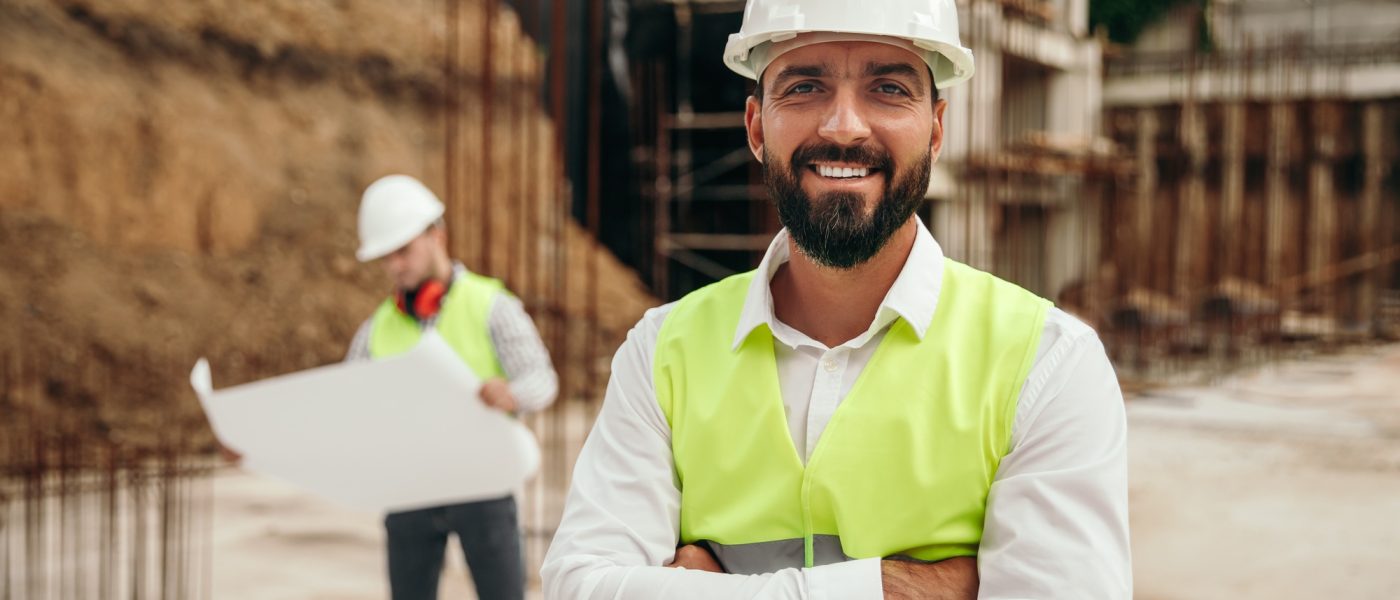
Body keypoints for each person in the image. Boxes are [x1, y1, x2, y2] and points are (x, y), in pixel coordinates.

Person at [540, 0, 1131, 598]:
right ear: (756, 128)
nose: (844, 126)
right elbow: (580, 586)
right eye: (804, 87)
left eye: (888, 89)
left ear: (935, 131)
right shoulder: (662, 352)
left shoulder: (1046, 363)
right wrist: (901, 587)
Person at [346, 174, 558, 600]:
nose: (395, 266)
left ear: (437, 236)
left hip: (484, 483)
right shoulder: (375, 329)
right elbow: (345, 404)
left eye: (403, 251)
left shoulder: (491, 305)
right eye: (386, 257)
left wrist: (512, 393)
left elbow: (542, 378)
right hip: (410, 489)